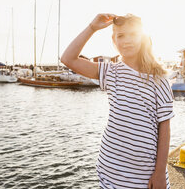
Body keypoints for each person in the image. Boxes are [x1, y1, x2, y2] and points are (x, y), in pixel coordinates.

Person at [61, 13, 174, 189]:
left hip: (146, 174)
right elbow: (68, 59)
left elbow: (164, 127)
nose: (127, 40)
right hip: (111, 170)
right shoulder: (111, 72)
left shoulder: (159, 79)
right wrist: (92, 27)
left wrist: (159, 172)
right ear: (114, 41)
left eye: (133, 34)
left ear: (143, 38)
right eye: (121, 35)